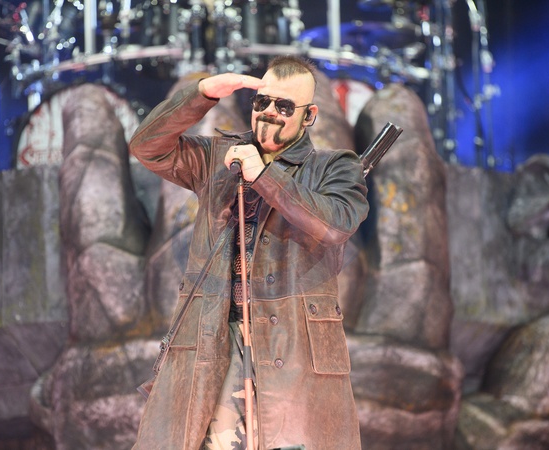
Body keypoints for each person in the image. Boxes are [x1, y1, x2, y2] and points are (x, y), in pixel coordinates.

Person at [129, 55, 369, 450]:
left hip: (294, 345)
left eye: (284, 106)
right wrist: (202, 94)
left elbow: (336, 224)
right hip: (217, 338)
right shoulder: (218, 157)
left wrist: (264, 175)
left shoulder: (334, 166)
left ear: (308, 116)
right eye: (262, 101)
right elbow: (147, 147)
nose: (270, 112)